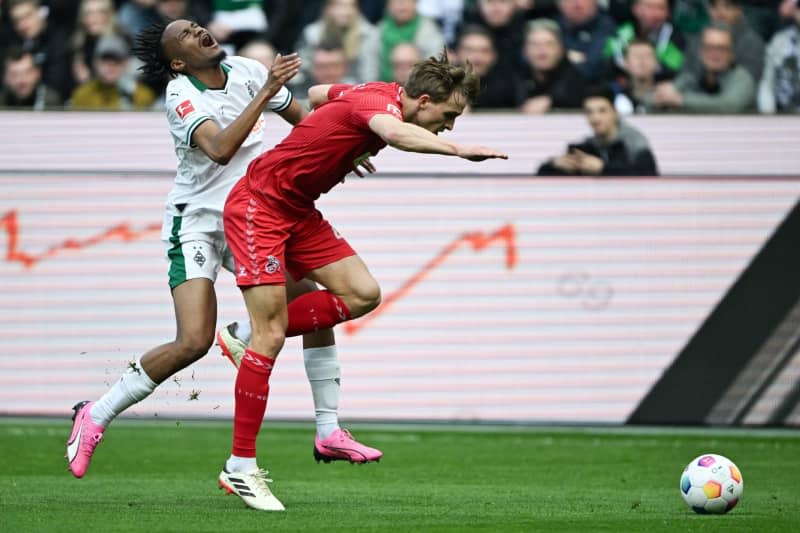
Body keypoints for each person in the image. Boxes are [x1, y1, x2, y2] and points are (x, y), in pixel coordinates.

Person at [65, 19, 380, 485]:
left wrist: (342, 147)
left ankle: (328, 428)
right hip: (196, 223)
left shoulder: (248, 70)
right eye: (187, 35)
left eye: (197, 25)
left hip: (253, 217)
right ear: (178, 61)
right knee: (192, 341)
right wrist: (267, 88)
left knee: (312, 299)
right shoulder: (181, 95)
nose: (199, 31)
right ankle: (95, 413)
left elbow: (301, 117)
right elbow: (219, 149)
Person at [219, 48, 507, 512]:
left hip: (297, 211)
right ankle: (240, 466)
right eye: (449, 116)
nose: (450, 126)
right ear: (425, 100)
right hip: (259, 208)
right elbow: (396, 133)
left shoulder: (367, 94)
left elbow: (316, 93)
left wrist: (336, 141)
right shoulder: (381, 109)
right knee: (272, 337)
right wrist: (458, 152)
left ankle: (245, 336)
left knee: (362, 294)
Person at [537, 85, 658, 175]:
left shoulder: (635, 143)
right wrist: (554, 164)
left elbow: (649, 175)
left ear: (615, 113)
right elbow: (541, 175)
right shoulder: (586, 146)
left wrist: (603, 169)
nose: (595, 118)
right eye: (589, 112)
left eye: (602, 111)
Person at [647, 22, 755, 113]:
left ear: (732, 53)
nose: (715, 54)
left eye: (721, 48)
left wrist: (682, 100)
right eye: (709, 47)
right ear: (701, 51)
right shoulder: (692, 76)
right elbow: (652, 98)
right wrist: (663, 95)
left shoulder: (742, 78)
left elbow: (729, 105)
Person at [295, 0, 380, 85]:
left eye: (352, 6)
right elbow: (303, 68)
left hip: (355, 88)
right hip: (315, 87)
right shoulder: (312, 34)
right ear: (328, 8)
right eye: (340, 5)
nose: (346, 11)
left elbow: (370, 74)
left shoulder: (368, 34)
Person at [683, 0, 765, 83]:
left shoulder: (752, 43)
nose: (720, 13)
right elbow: (686, 75)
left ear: (739, 10)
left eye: (727, 6)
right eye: (714, 6)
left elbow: (747, 84)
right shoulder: (698, 38)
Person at [69, 33, 157, 110]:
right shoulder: (82, 95)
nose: (110, 66)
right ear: (96, 63)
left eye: (116, 60)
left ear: (125, 64)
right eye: (105, 60)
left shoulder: (141, 95)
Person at [8, 0, 74, 102]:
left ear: (41, 12)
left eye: (27, 16)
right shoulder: (13, 42)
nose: (22, 25)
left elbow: (56, 85)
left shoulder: (59, 41)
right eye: (17, 20)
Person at [603, 0, 686, 80]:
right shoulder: (622, 31)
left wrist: (644, 68)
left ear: (668, 12)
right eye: (649, 7)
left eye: (661, 8)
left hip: (659, 86)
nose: (655, 13)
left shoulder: (675, 35)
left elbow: (673, 66)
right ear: (635, 8)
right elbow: (608, 58)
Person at [520, 18, 586, 114]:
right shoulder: (516, 75)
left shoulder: (576, 78)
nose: (542, 51)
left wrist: (552, 100)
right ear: (525, 50)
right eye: (535, 44)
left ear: (560, 49)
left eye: (549, 44)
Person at [455, 24, 524, 109]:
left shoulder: (511, 86)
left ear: (494, 55)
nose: (477, 57)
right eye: (470, 50)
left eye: (484, 51)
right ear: (457, 53)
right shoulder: (443, 83)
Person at [378, 0, 445, 81]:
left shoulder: (429, 30)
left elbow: (436, 66)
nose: (401, 5)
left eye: (406, 1)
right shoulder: (378, 31)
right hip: (382, 86)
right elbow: (369, 69)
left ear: (415, 3)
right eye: (395, 1)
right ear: (388, 5)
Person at [555, 0, 617, 82]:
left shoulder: (607, 27)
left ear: (596, 2)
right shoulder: (553, 27)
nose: (577, 5)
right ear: (559, 5)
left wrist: (564, 57)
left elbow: (593, 69)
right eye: (569, 0)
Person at [758, 0, 800, 113]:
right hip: (782, 117)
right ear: (795, 11)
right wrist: (769, 116)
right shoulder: (779, 41)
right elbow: (767, 83)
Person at [610, 37, 660, 114]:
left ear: (656, 62)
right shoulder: (611, 97)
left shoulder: (670, 95)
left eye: (647, 56)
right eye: (636, 56)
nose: (642, 61)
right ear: (625, 63)